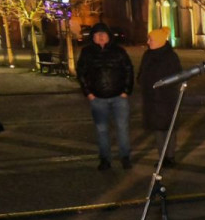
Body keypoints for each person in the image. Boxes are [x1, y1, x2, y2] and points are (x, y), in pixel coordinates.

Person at [76, 22, 134, 170]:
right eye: (97, 35)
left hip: (119, 97)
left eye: (103, 34)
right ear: (93, 37)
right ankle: (105, 159)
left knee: (122, 128)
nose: (101, 37)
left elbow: (128, 70)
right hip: (97, 98)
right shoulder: (87, 52)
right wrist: (88, 93)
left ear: (109, 36)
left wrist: (126, 91)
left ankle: (125, 156)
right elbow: (81, 73)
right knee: (102, 130)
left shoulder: (119, 51)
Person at [136, 27, 182, 166]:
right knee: (157, 130)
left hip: (167, 99)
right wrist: (142, 81)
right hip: (152, 99)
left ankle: (170, 157)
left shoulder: (170, 56)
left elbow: (177, 76)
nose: (148, 42)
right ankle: (162, 157)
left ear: (159, 41)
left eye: (151, 39)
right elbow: (141, 73)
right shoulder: (147, 55)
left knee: (168, 128)